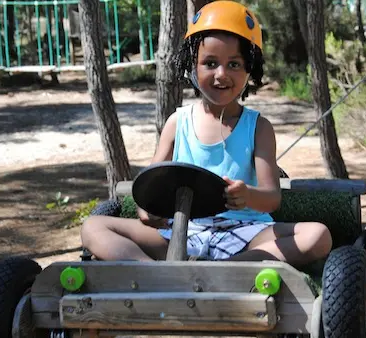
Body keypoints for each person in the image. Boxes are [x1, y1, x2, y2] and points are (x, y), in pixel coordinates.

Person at [80, 0, 332, 266]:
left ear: (249, 68)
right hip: (183, 231)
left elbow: (271, 198)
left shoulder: (258, 127)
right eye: (210, 63)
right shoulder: (178, 123)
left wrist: (248, 195)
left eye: (234, 64)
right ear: (192, 65)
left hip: (246, 231)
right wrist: (146, 211)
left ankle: (229, 270)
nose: (221, 74)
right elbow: (149, 187)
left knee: (317, 235)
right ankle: (152, 273)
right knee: (93, 227)